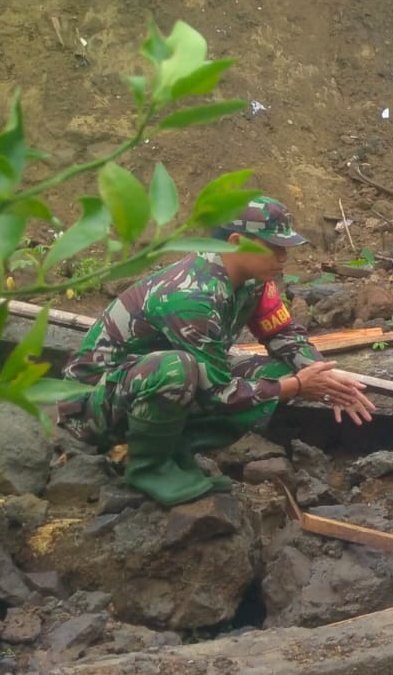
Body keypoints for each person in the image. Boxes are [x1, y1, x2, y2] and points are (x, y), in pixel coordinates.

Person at [63, 196, 376, 506]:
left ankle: (175, 451)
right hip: (94, 406)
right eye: (273, 247)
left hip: (142, 389)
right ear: (237, 241)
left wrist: (322, 374)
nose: (283, 258)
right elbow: (217, 392)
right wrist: (297, 387)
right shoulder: (192, 296)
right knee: (178, 368)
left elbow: (282, 333)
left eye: (285, 248)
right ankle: (148, 467)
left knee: (275, 373)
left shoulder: (254, 282)